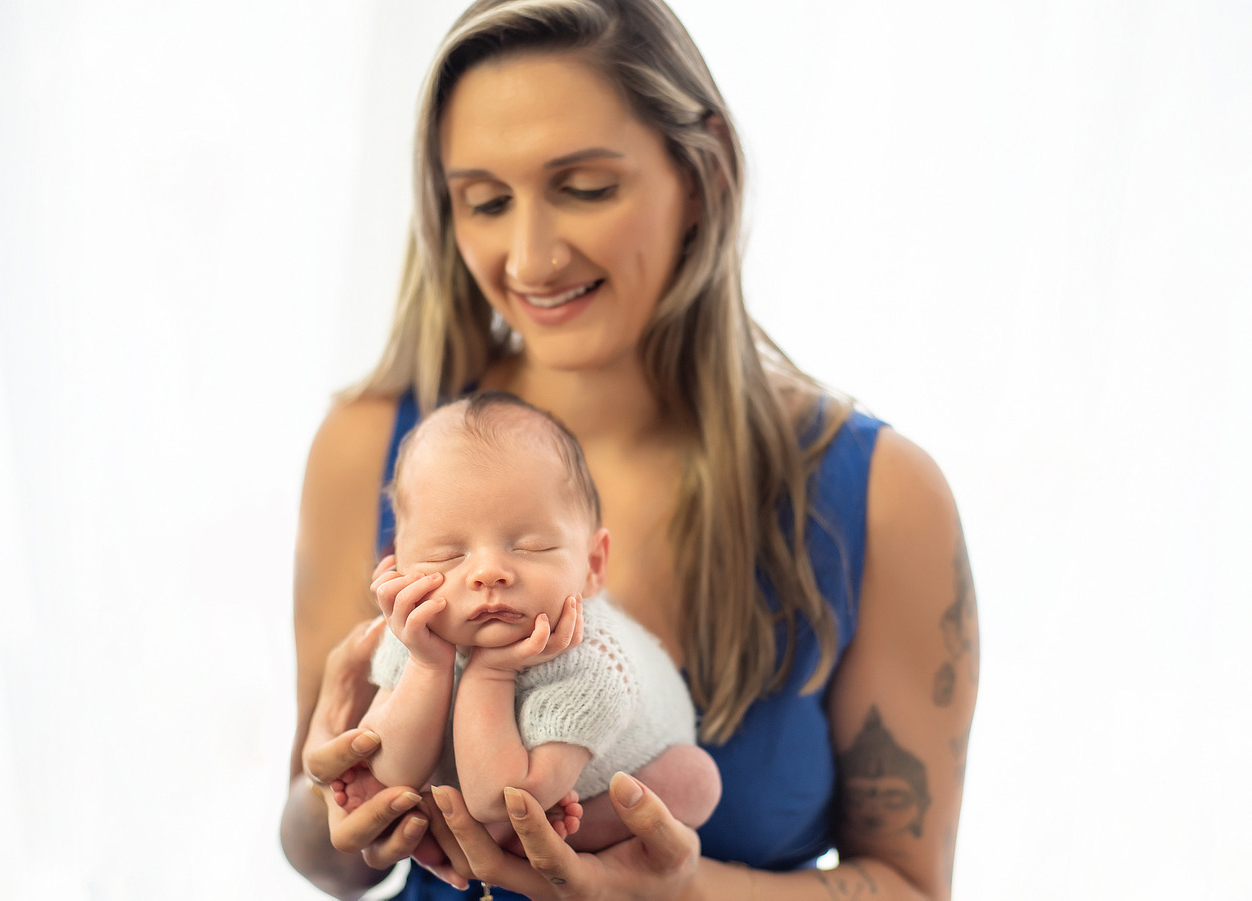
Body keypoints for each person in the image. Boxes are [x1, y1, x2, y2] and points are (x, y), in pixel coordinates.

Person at [279, 0, 979, 898]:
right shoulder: (369, 445)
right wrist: (331, 794)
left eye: (584, 187)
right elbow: (318, 855)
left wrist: (684, 894)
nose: (529, 257)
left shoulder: (882, 496)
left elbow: (914, 886)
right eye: (486, 201)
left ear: (703, 173)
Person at [335, 391, 721, 855]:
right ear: (398, 569)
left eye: (531, 546)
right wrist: (428, 667)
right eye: (446, 555)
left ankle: (525, 842)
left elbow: (501, 797)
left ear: (593, 565)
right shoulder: (420, 628)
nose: (488, 572)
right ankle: (495, 828)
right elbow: (391, 769)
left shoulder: (591, 663)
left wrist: (491, 672)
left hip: (622, 773)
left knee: (695, 781)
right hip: (491, 773)